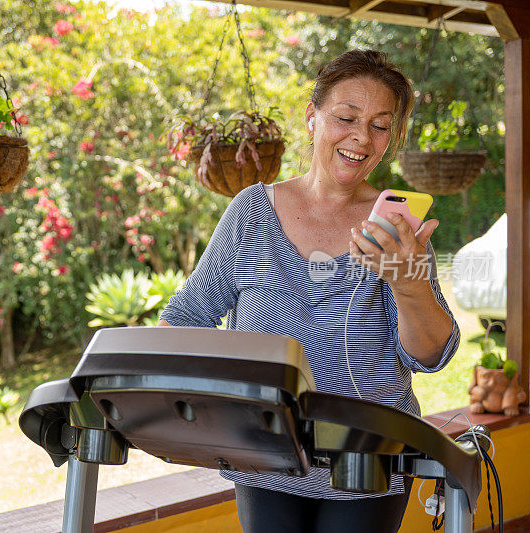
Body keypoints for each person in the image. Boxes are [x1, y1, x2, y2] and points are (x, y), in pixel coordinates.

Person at [157, 49, 460, 533]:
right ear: (312, 119)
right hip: (264, 451)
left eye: (381, 126)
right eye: (347, 117)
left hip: (366, 458)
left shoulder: (397, 231)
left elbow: (431, 355)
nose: (362, 137)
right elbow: (189, 313)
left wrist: (409, 284)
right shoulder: (250, 212)